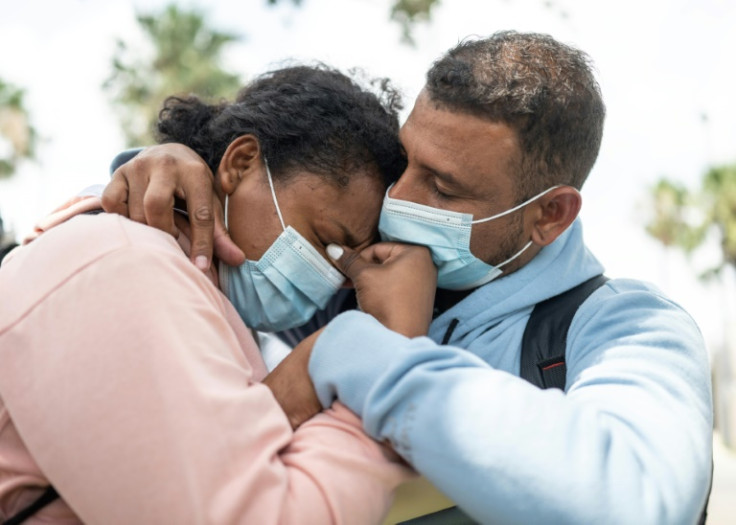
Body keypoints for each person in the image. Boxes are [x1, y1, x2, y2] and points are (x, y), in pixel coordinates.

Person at [102, 31, 713, 524]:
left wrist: (360, 350)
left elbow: (639, 499)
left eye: (443, 188)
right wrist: (176, 174)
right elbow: (200, 273)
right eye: (407, 162)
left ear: (549, 215)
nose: (399, 199)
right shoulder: (355, 275)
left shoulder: (623, 326)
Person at [0, 64, 431, 524]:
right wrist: (382, 361)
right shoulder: (124, 265)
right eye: (325, 241)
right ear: (240, 163)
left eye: (344, 267)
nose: (327, 277)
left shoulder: (186, 288)